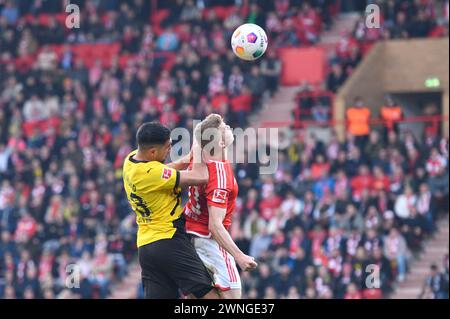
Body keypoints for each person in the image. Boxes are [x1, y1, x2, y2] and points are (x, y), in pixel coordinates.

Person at [122, 122, 219, 299]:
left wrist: (186, 159)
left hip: (146, 247)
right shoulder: (150, 172)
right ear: (152, 152)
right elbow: (201, 177)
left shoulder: (131, 161)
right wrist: (198, 144)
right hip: (169, 239)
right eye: (167, 147)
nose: (169, 150)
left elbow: (162, 172)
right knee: (208, 295)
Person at [184, 114, 258, 299]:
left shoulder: (199, 157)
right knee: (233, 298)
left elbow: (198, 137)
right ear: (221, 143)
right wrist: (240, 256)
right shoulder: (219, 176)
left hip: (189, 236)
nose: (228, 127)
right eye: (224, 128)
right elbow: (215, 225)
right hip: (209, 241)